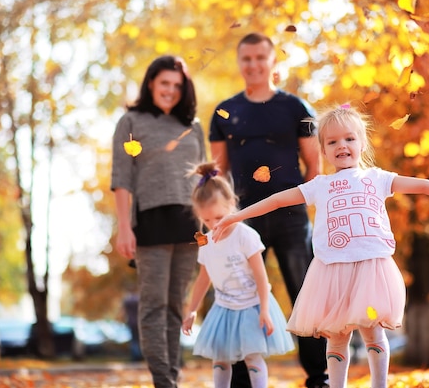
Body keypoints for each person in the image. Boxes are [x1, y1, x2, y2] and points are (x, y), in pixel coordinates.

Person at [212, 105, 429, 388]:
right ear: (323, 151)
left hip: (371, 269)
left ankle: (379, 385)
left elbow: (423, 186)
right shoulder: (319, 186)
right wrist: (237, 215)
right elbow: (277, 200)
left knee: (372, 332)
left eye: (348, 138)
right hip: (332, 273)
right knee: (336, 336)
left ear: (362, 143)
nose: (341, 146)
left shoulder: (378, 179)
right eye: (332, 142)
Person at [209, 32, 328, 388]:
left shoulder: (296, 108)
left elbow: (314, 167)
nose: (254, 65)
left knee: (303, 295)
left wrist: (299, 201)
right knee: (243, 296)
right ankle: (243, 379)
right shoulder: (224, 112)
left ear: (272, 61)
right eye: (246, 58)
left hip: (291, 219)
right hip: (244, 220)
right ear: (239, 62)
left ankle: (318, 377)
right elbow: (218, 173)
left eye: (261, 57)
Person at [111, 55, 205, 388]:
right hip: (150, 223)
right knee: (153, 306)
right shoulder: (131, 121)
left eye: (177, 86)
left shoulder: (192, 126)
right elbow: (121, 178)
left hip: (190, 226)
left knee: (175, 308)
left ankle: (172, 379)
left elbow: (205, 180)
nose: (170, 91)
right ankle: (164, 382)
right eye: (164, 83)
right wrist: (124, 228)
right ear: (151, 83)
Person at [181, 162, 295, 388]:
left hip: (252, 305)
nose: (214, 225)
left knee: (253, 356)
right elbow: (204, 278)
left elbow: (261, 276)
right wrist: (192, 310)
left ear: (232, 204)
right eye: (206, 220)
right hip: (224, 308)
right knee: (220, 358)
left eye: (219, 217)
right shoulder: (206, 241)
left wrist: (264, 309)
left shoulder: (245, 235)